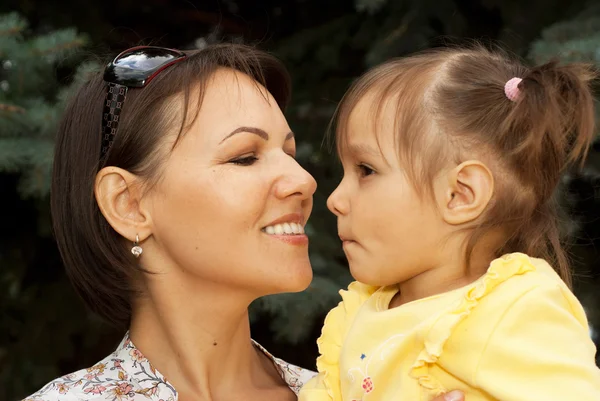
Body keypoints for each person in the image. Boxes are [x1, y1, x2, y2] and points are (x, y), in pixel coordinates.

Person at [23, 44, 463, 401]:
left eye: (289, 154)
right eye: (245, 157)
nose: (304, 181)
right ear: (129, 204)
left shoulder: (358, 393)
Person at [298, 46, 600, 401]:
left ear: (460, 195)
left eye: (366, 170)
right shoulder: (358, 314)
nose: (334, 199)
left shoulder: (513, 309)